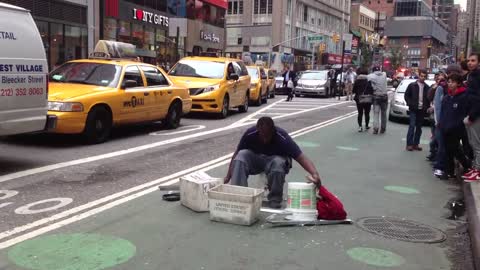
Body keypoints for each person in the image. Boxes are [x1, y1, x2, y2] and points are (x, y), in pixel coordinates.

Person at [224, 117, 322, 209]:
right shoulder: (250, 134)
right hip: (257, 159)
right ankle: (239, 196)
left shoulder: (282, 137)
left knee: (278, 163)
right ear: (258, 130)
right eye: (262, 136)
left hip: (274, 161)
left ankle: (275, 199)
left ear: (273, 130)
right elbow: (235, 155)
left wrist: (314, 174)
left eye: (268, 136)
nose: (265, 139)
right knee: (241, 156)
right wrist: (228, 177)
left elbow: (301, 158)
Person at [438, 73, 471, 179]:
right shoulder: (447, 97)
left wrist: (456, 125)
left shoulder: (463, 96)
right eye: (449, 82)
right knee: (449, 151)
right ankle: (450, 172)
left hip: (457, 129)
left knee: (455, 150)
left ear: (459, 83)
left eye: (453, 82)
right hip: (445, 128)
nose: (450, 84)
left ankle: (465, 165)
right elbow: (443, 112)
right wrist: (441, 123)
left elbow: (464, 113)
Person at [462, 53, 480, 182]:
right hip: (470, 113)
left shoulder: (477, 76)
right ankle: (475, 168)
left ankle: (478, 171)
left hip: (476, 115)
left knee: (476, 144)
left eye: (473, 60)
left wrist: (472, 116)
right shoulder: (471, 76)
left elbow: (478, 99)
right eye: (469, 60)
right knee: (473, 143)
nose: (470, 63)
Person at [404, 69, 430, 151]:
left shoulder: (427, 87)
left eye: (424, 76)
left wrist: (426, 107)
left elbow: (428, 98)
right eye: (421, 76)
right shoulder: (412, 85)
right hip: (413, 109)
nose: (422, 78)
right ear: (418, 75)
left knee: (419, 127)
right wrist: (410, 103)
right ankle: (409, 144)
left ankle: (416, 144)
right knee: (412, 126)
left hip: (422, 110)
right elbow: (406, 95)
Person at [368, 66, 388, 134]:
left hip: (376, 96)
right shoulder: (384, 74)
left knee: (376, 113)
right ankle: (383, 128)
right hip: (384, 96)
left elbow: (367, 78)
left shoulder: (371, 76)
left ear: (373, 71)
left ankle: (376, 129)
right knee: (384, 113)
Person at [352, 68, 374, 132]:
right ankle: (367, 125)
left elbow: (354, 91)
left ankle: (360, 126)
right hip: (368, 98)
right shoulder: (369, 81)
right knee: (367, 113)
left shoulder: (357, 81)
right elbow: (372, 90)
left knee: (360, 113)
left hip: (359, 98)